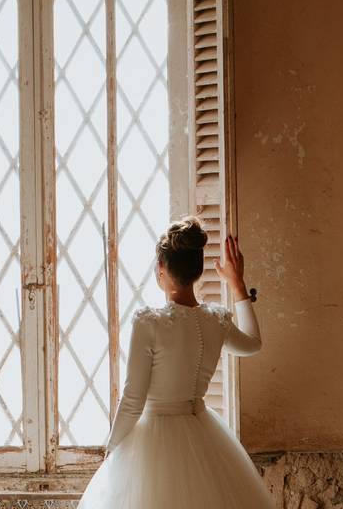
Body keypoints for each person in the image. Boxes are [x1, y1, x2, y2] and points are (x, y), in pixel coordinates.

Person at [76, 216, 275, 509]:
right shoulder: (216, 320)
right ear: (197, 271)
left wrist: (112, 450)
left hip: (154, 443)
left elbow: (133, 398)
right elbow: (253, 344)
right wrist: (237, 285)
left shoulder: (149, 323)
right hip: (204, 437)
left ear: (161, 269)